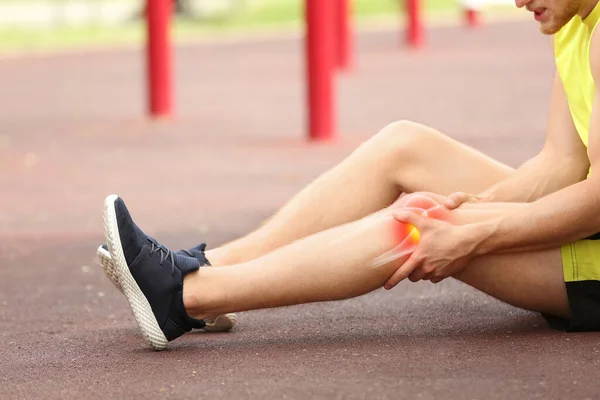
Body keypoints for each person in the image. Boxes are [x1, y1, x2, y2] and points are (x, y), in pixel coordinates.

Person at [98, 0, 600, 350]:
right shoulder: (577, 23)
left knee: (419, 222)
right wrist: (472, 209)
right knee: (405, 145)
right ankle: (199, 268)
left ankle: (183, 299)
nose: (516, 1)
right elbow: (561, 163)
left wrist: (473, 232)